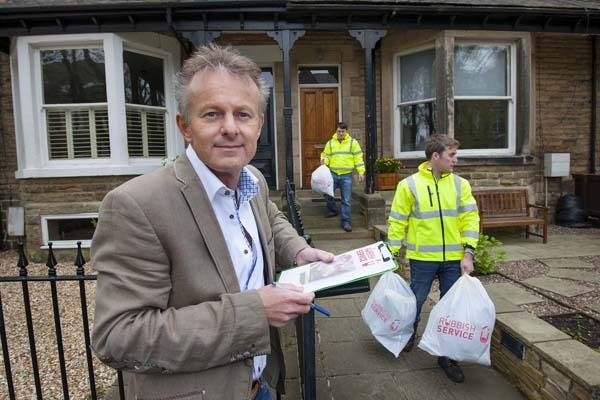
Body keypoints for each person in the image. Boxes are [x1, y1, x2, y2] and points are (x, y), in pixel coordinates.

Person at [90, 44, 334, 400]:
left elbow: (270, 216)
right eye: (212, 114)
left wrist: (298, 252)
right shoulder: (136, 205)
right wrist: (255, 312)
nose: (230, 128)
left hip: (261, 384)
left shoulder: (253, 178)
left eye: (243, 114)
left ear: (259, 124)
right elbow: (119, 337)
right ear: (185, 126)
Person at [387, 134, 479, 383]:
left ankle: (447, 355)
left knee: (451, 308)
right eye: (452, 155)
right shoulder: (409, 185)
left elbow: (470, 220)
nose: (456, 160)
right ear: (435, 156)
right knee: (414, 300)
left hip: (454, 260)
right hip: (422, 259)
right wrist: (391, 255)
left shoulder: (461, 185)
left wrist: (468, 253)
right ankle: (408, 334)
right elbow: (397, 222)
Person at [320, 122, 365, 232]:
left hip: (346, 176)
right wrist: (323, 161)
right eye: (338, 131)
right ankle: (333, 210)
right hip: (333, 174)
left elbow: (358, 158)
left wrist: (361, 172)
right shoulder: (330, 143)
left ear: (346, 131)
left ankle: (346, 222)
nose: (340, 133)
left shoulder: (353, 143)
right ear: (336, 131)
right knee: (327, 193)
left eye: (342, 131)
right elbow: (326, 155)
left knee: (346, 200)